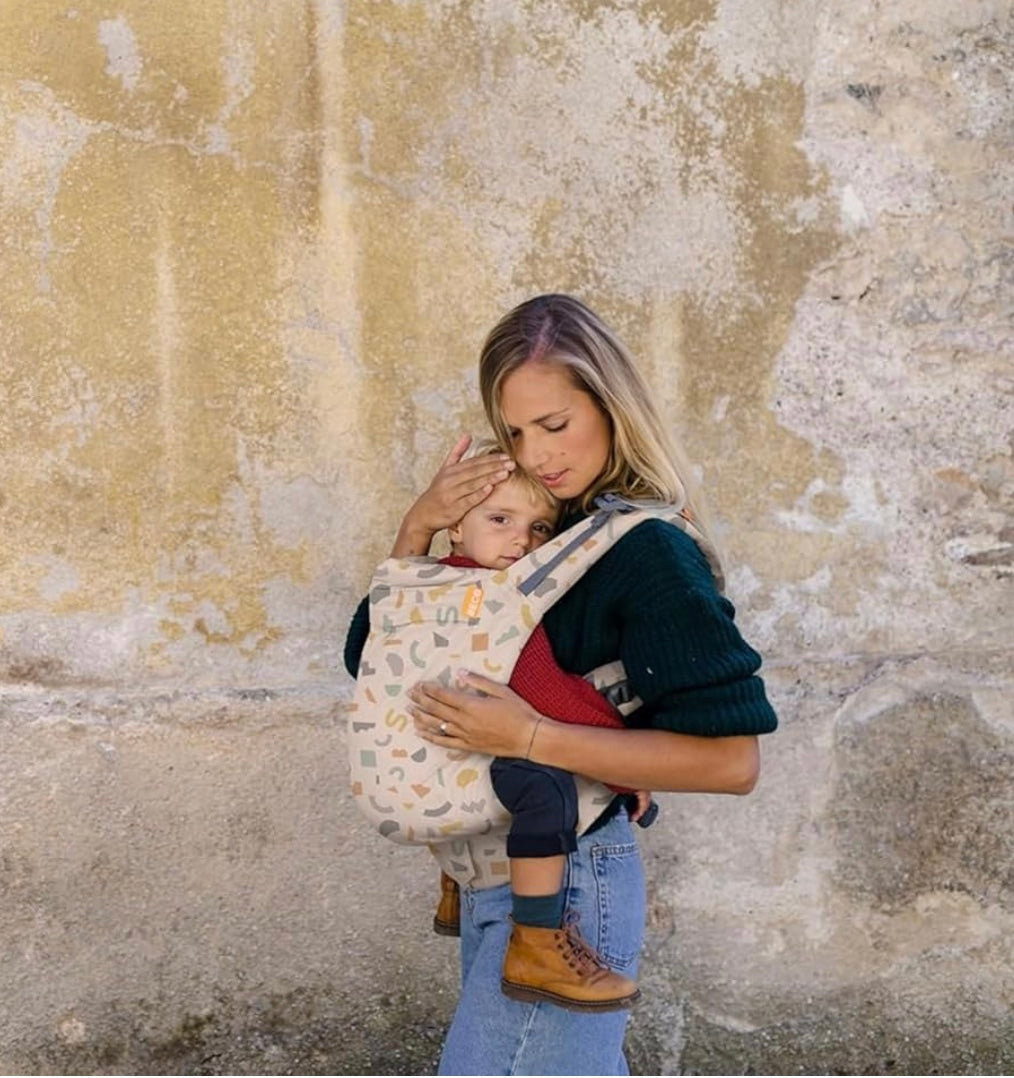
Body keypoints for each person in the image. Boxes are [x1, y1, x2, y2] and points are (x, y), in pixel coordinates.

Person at [344, 293, 777, 1076]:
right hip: (494, 880)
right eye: (515, 432)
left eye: (554, 424)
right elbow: (372, 661)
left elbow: (732, 762)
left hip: (566, 883)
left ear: (611, 406)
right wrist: (418, 529)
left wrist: (531, 736)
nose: (536, 454)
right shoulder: (534, 528)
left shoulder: (644, 550)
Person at [430, 445, 654, 1011]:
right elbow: (551, 695)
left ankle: (454, 885)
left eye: (539, 528)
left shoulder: (428, 582)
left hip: (436, 754)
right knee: (545, 787)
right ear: (454, 525)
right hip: (482, 748)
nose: (521, 542)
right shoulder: (496, 601)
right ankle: (536, 938)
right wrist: (624, 766)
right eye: (500, 519)